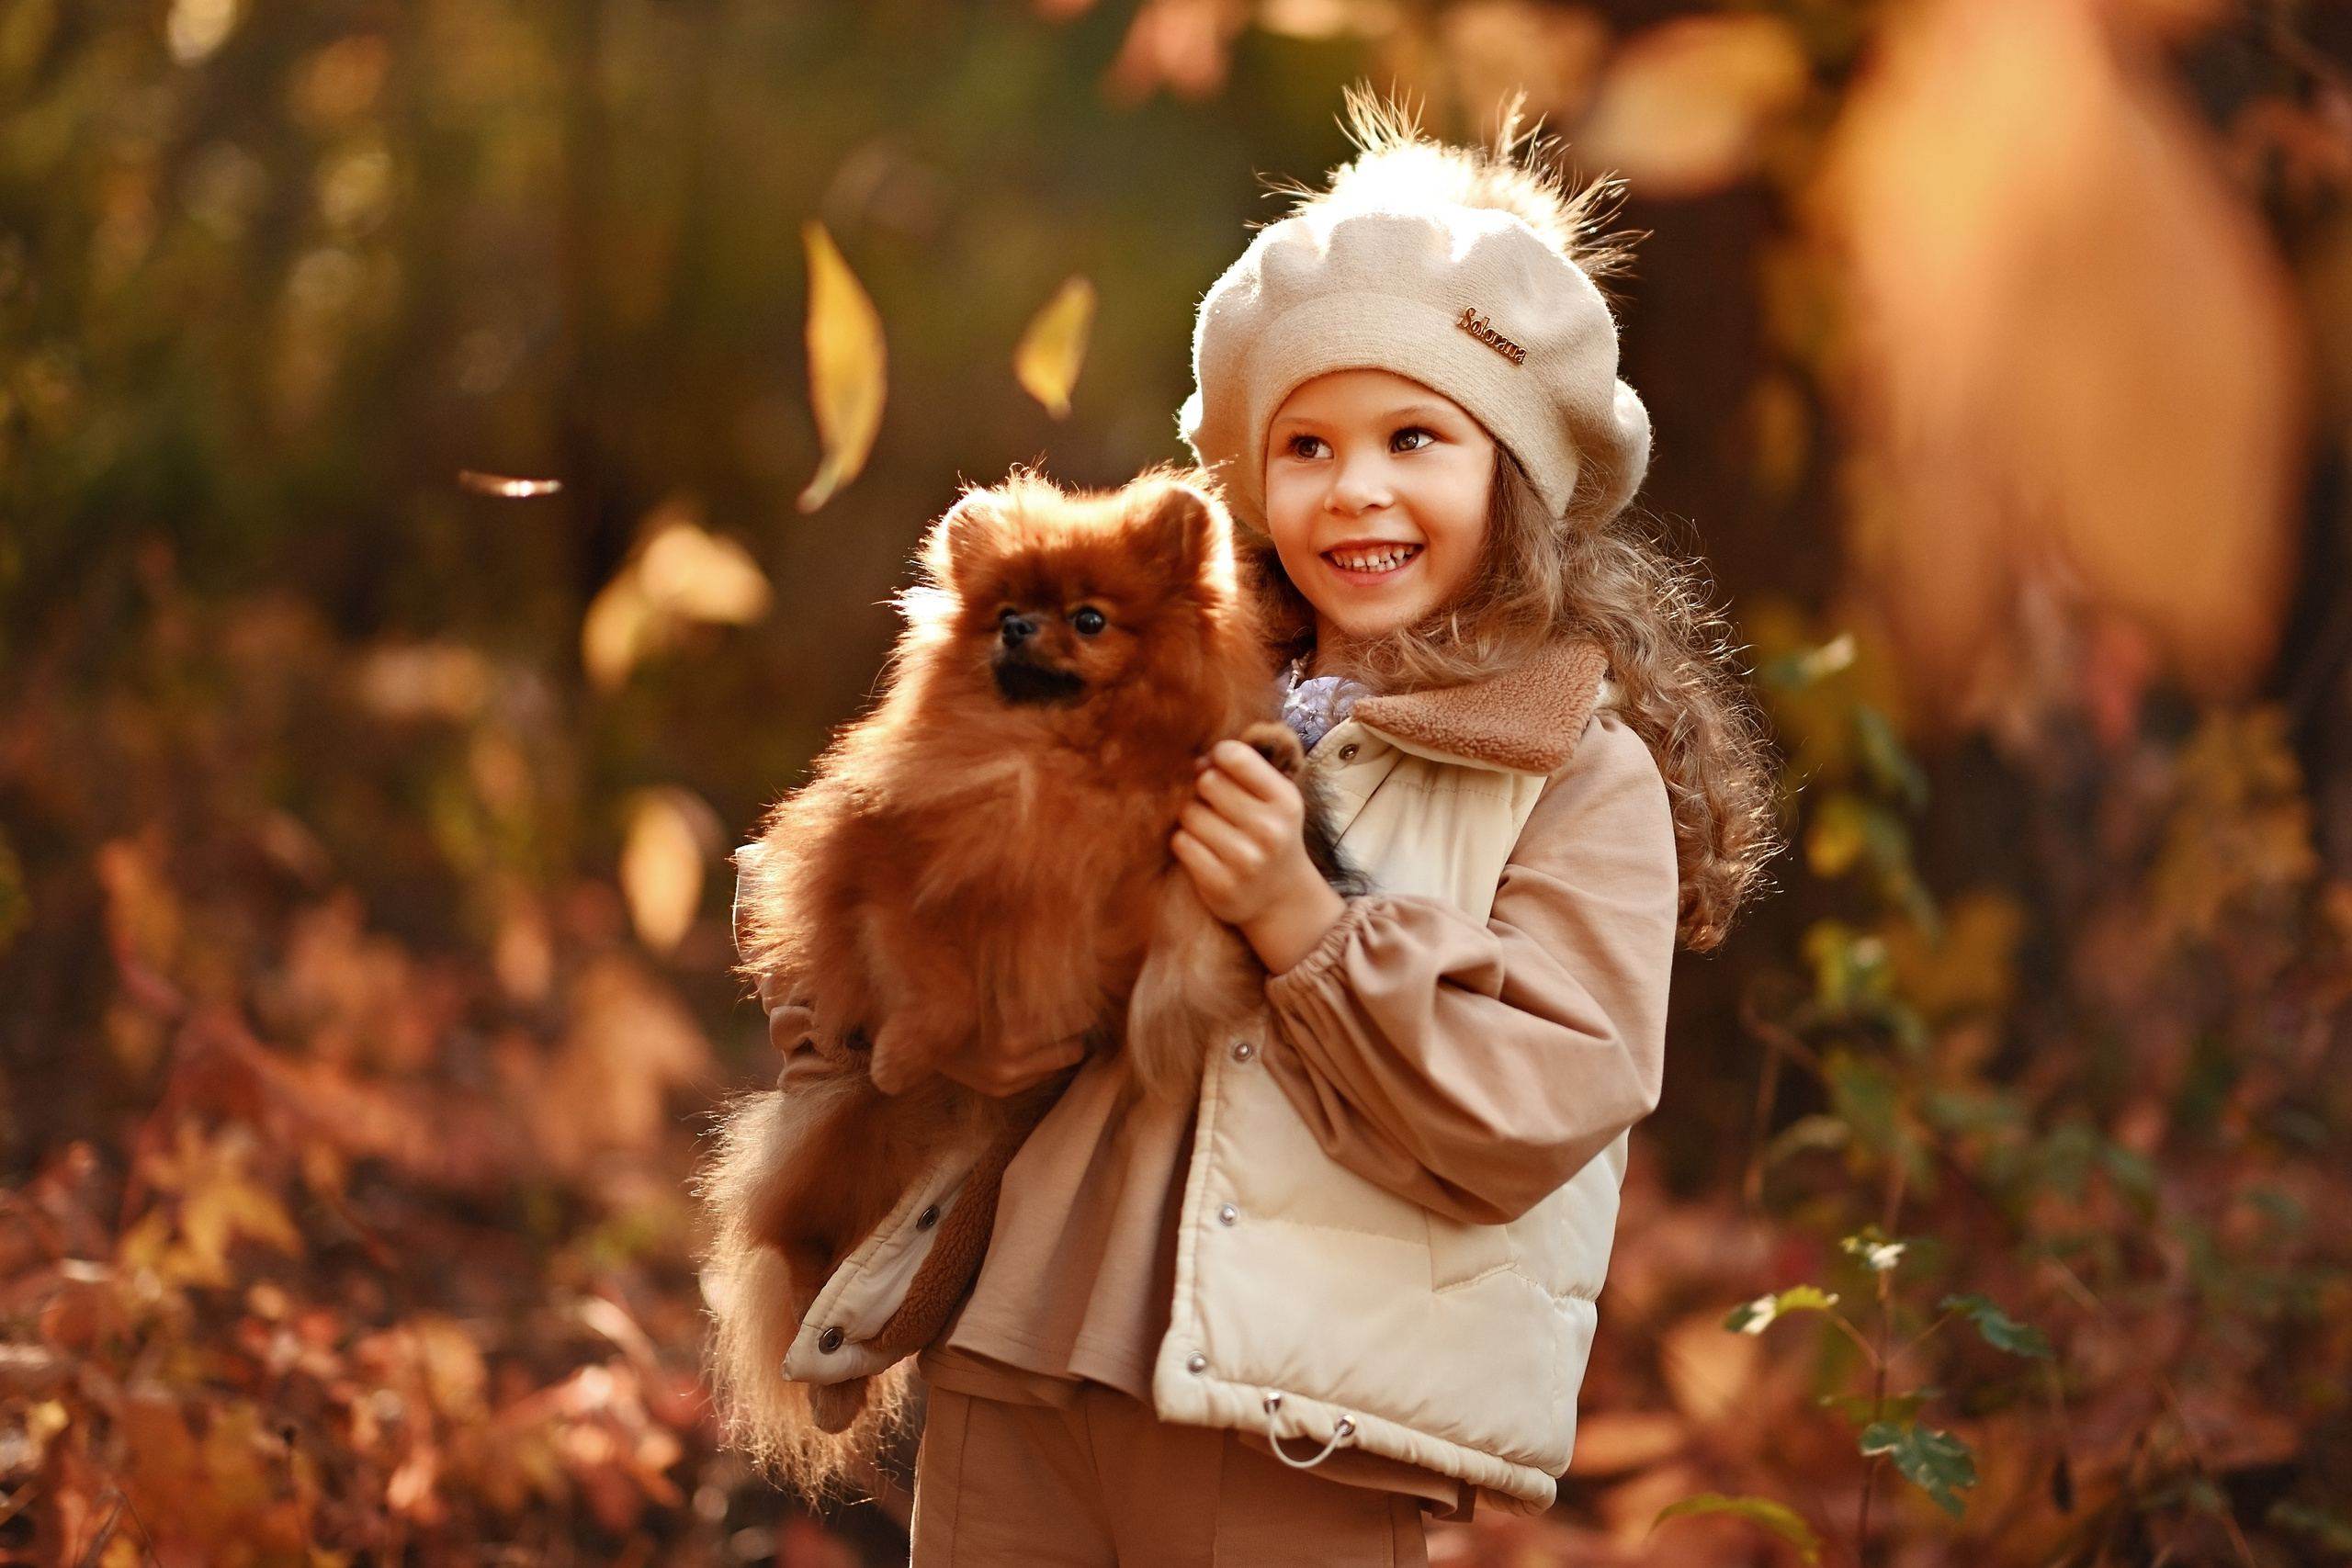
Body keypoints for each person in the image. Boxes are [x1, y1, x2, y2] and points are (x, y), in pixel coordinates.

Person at [817, 98, 1773, 1566]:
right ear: (1255, 481)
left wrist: (1302, 923)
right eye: (1309, 445)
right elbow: (883, 860)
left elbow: (1542, 1096)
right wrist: (950, 1018)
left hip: (1295, 1410)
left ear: (1512, 478)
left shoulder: (1573, 773)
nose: (1359, 487)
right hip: (1021, 1341)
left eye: (1415, 436)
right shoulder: (1149, 676)